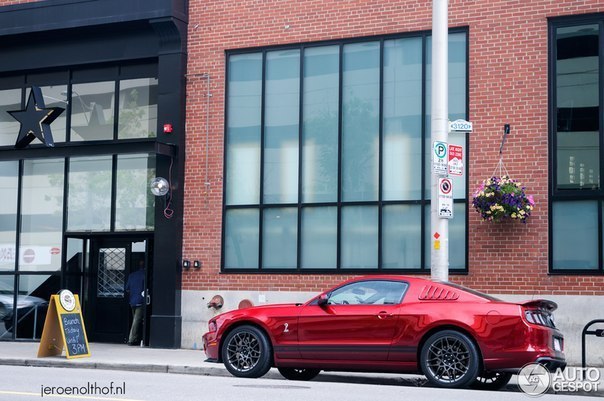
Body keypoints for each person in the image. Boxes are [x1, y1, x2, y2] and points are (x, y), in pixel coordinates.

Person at [124, 261, 145, 346]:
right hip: (141, 301)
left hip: (132, 301)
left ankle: (135, 338)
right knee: (136, 321)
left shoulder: (132, 275)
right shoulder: (145, 275)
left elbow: (127, 288)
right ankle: (132, 339)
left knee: (135, 320)